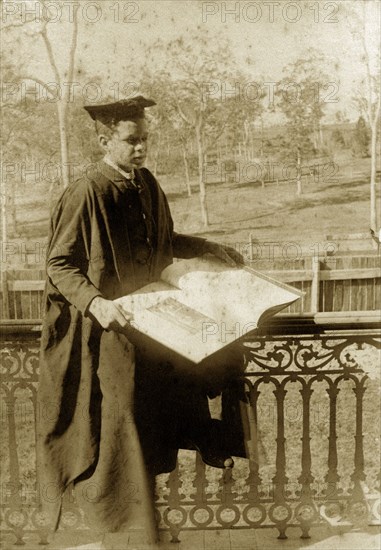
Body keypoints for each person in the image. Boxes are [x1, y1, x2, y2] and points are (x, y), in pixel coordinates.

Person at [37, 96, 245, 547]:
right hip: (111, 334)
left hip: (154, 325)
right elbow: (59, 264)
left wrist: (208, 247)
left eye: (145, 139)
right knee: (121, 427)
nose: (141, 149)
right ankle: (123, 531)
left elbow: (165, 241)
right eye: (132, 141)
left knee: (164, 413)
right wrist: (96, 303)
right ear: (104, 140)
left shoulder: (147, 184)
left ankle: (157, 516)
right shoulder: (86, 192)